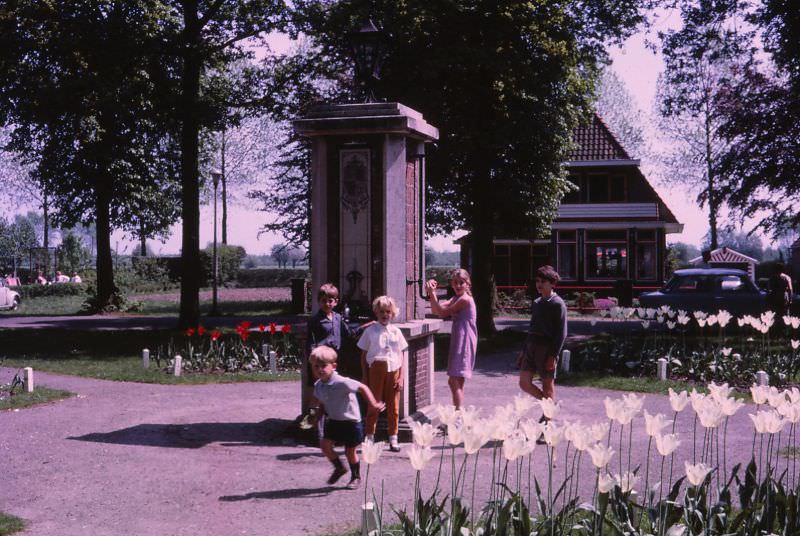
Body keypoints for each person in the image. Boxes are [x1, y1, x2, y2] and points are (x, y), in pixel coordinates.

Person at [309, 345, 385, 490]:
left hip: (351, 421)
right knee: (325, 446)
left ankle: (355, 477)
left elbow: (362, 387)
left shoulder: (342, 382)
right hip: (333, 420)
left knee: (350, 451)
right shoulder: (319, 385)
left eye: (323, 366)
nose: (319, 369)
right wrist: (315, 418)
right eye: (316, 366)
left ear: (333, 366)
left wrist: (373, 404)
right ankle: (339, 468)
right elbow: (320, 404)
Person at [518, 266, 567, 432]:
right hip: (531, 346)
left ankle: (547, 422)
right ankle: (549, 405)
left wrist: (553, 355)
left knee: (548, 386)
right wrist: (524, 350)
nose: (539, 285)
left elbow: (561, 333)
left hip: (547, 349)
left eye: (543, 282)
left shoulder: (558, 304)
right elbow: (532, 327)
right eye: (537, 281)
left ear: (552, 283)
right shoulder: (537, 303)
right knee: (524, 383)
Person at [358, 295, 408, 452]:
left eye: (388, 312)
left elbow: (401, 354)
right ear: (376, 313)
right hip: (376, 369)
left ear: (392, 313)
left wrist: (401, 377)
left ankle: (393, 437)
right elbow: (363, 356)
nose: (385, 315)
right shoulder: (371, 331)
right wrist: (365, 377)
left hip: (393, 370)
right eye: (381, 312)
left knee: (393, 406)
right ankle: (369, 436)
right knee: (374, 404)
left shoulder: (396, 332)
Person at [426, 269, 477, 409]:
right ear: (452, 284)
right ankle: (458, 414)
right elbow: (436, 310)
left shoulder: (465, 299)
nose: (458, 285)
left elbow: (442, 313)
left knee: (454, 380)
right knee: (456, 381)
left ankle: (458, 414)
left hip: (464, 341)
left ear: (468, 284)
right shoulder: (456, 298)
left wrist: (432, 293)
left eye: (462, 282)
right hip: (459, 339)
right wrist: (431, 292)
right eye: (455, 283)